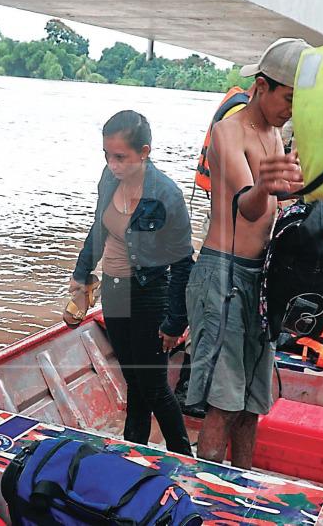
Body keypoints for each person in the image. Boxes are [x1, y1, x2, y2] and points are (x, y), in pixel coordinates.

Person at [184, 38, 308, 466]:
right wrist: (269, 186)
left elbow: (284, 202)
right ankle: (207, 494)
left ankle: (243, 487)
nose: (290, 110)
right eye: (287, 98)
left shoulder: (276, 135)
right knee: (224, 401)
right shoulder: (228, 131)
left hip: (260, 279)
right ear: (261, 86)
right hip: (223, 277)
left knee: (253, 402)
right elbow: (248, 207)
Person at [70, 110, 194, 455]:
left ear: (144, 152)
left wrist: (175, 321)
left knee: (153, 385)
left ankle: (184, 457)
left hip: (148, 294)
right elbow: (97, 231)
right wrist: (81, 275)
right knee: (134, 381)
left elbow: (183, 264)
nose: (113, 164)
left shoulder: (167, 195)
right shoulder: (108, 181)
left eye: (121, 157)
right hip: (114, 290)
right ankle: (134, 449)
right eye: (107, 155)